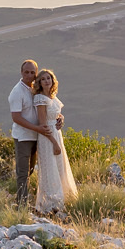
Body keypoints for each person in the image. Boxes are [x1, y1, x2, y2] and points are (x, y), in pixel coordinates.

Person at [31, 68, 78, 214]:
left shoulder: (53, 98)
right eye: (43, 79)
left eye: (49, 78)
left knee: (59, 167)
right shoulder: (40, 99)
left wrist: (61, 118)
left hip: (57, 134)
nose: (46, 81)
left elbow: (57, 114)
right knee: (49, 168)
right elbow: (43, 124)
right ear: (39, 83)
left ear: (53, 81)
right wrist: (54, 143)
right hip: (47, 137)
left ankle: (63, 198)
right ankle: (50, 204)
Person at [8, 58, 41, 207]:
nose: (29, 75)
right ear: (21, 72)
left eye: (32, 72)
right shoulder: (17, 92)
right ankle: (22, 205)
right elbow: (16, 117)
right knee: (23, 172)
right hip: (23, 137)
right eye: (26, 72)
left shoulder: (35, 89)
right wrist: (37, 128)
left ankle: (26, 199)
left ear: (36, 74)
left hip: (36, 136)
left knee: (31, 170)